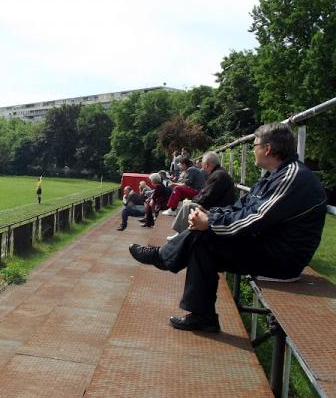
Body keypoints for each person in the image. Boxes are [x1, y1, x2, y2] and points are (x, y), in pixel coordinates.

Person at [128, 123, 327, 333]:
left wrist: (210, 222)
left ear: (267, 149)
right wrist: (211, 216)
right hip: (265, 244)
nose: (252, 150)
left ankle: (164, 258)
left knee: (204, 238)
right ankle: (201, 316)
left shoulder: (292, 176)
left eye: (255, 145)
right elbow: (242, 207)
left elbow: (256, 218)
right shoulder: (274, 175)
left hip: (284, 259)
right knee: (202, 241)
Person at [167, 152, 236, 240]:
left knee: (188, 206)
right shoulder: (219, 173)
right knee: (189, 204)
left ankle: (180, 236)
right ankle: (180, 234)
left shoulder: (218, 175)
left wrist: (194, 200)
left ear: (207, 164)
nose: (202, 167)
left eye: (202, 164)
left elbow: (207, 196)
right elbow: (207, 194)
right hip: (220, 206)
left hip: (218, 209)